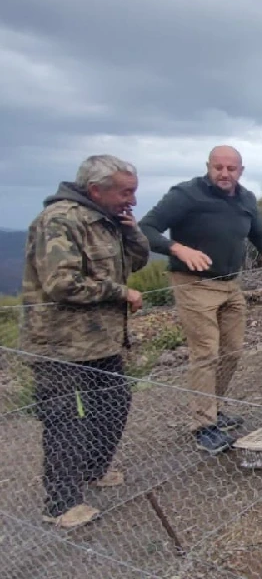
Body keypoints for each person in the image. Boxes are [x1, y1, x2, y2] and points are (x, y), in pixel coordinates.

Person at [21, 154, 149, 528]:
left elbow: (136, 262)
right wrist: (121, 293)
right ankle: (60, 504)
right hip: (59, 343)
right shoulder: (60, 220)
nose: (133, 201)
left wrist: (130, 230)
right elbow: (62, 284)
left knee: (112, 403)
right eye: (126, 192)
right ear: (96, 189)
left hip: (101, 340)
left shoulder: (107, 222)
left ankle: (93, 470)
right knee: (64, 420)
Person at [139, 145, 262, 455]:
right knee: (205, 352)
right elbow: (146, 229)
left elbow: (258, 230)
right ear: (208, 166)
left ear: (241, 171)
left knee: (232, 350)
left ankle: (214, 408)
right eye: (218, 167)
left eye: (231, 168)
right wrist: (179, 249)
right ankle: (203, 425)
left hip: (230, 283)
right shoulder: (186, 195)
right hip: (193, 283)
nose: (224, 173)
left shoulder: (246, 198)